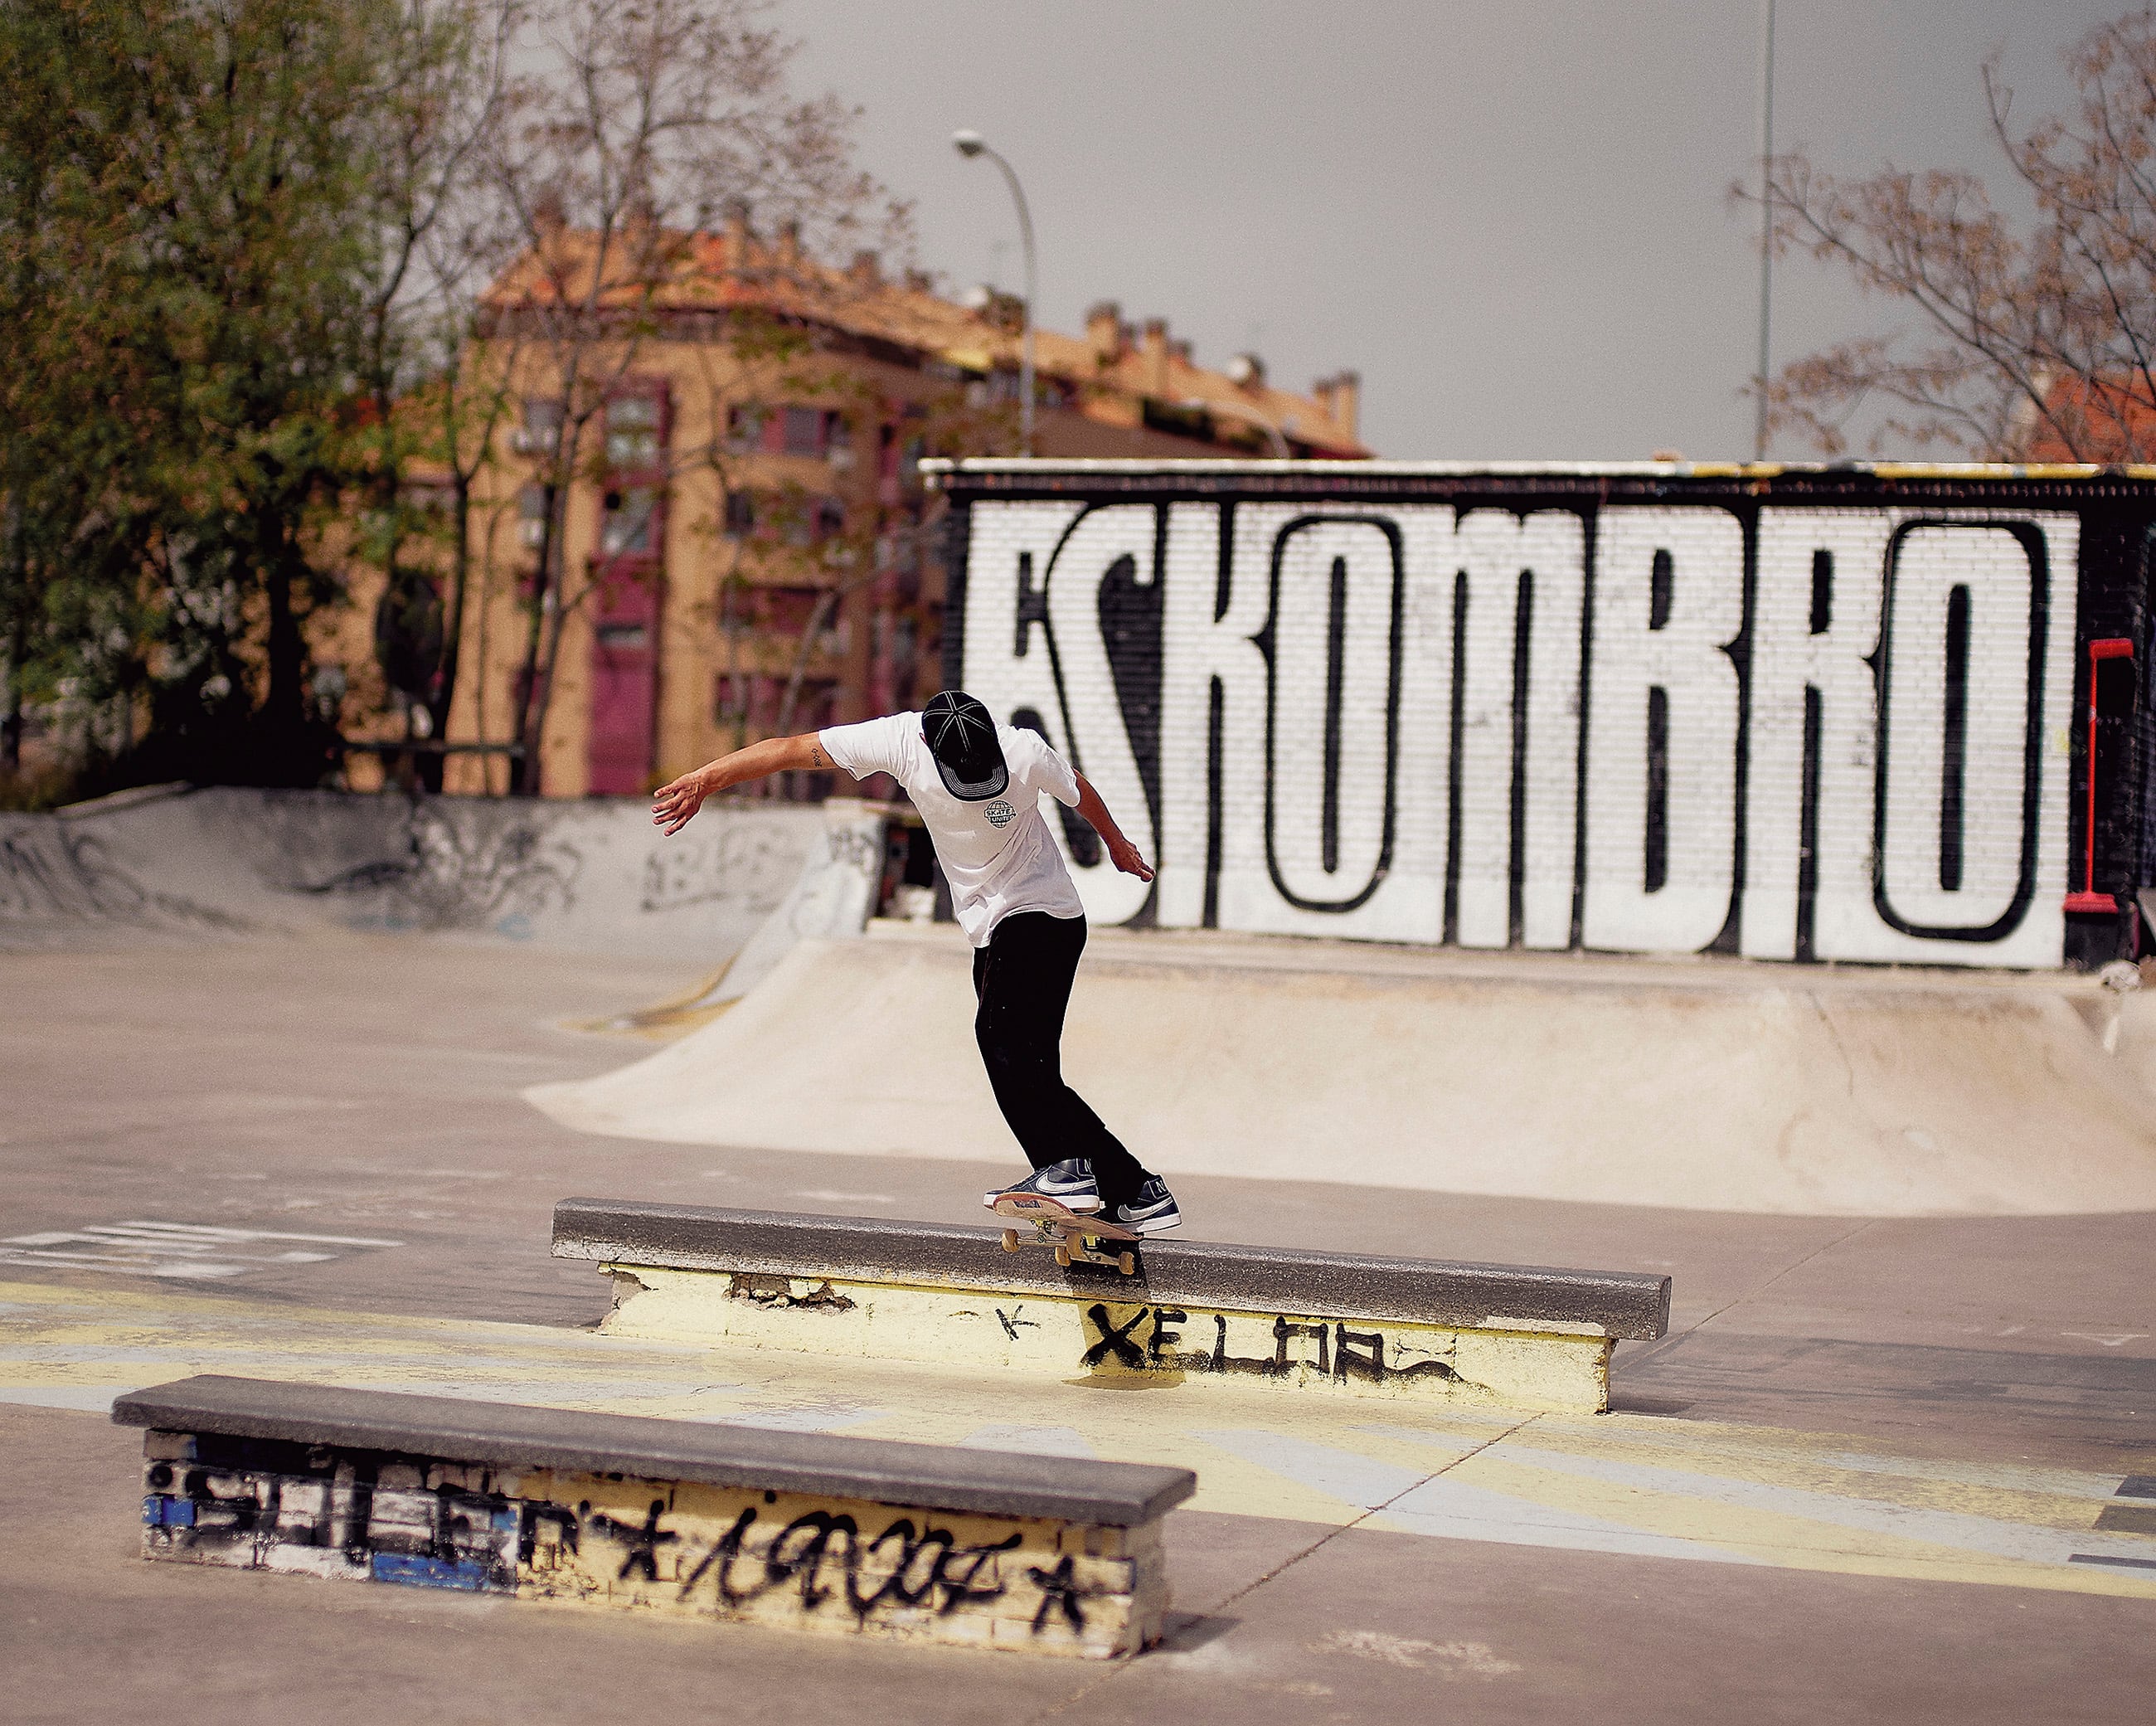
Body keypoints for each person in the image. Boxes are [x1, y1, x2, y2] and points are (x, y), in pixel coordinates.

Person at [650, 690, 1180, 1234]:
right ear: (930, 746)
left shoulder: (1023, 749)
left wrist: (1115, 842)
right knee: (1034, 1071)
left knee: (1001, 1042)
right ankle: (1136, 1189)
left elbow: (1079, 792)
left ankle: (1064, 1170)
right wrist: (704, 780)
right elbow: (788, 748)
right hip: (995, 931)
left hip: (1042, 915)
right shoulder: (898, 740)